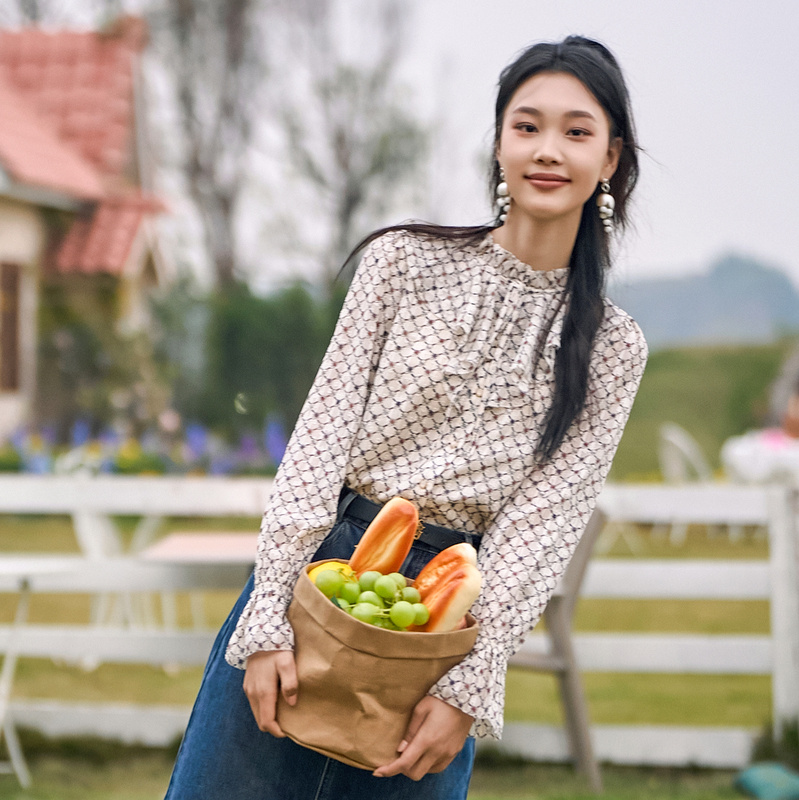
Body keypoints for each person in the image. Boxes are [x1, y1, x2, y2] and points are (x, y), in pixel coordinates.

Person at [164, 34, 648, 800]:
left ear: (611, 158)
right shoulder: (401, 262)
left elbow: (543, 527)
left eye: (577, 131)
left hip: (451, 615)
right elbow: (318, 443)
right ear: (498, 144)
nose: (548, 150)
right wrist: (266, 622)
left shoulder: (614, 348)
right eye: (526, 126)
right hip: (318, 578)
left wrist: (469, 683)